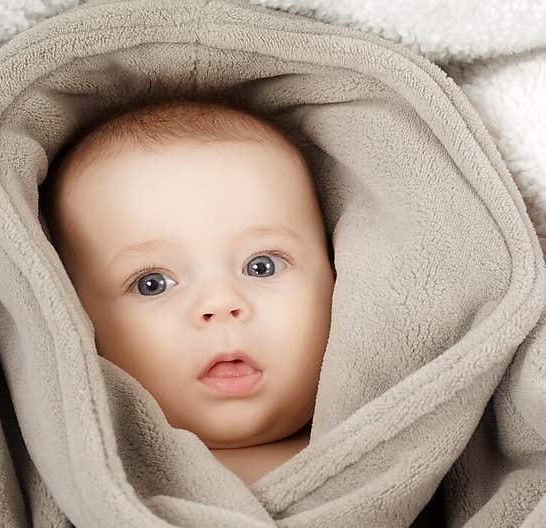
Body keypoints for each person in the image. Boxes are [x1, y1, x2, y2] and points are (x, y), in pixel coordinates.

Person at [42, 96, 336, 486]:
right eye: (152, 284)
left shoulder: (396, 446)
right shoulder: (90, 480)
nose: (220, 303)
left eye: (261, 266)